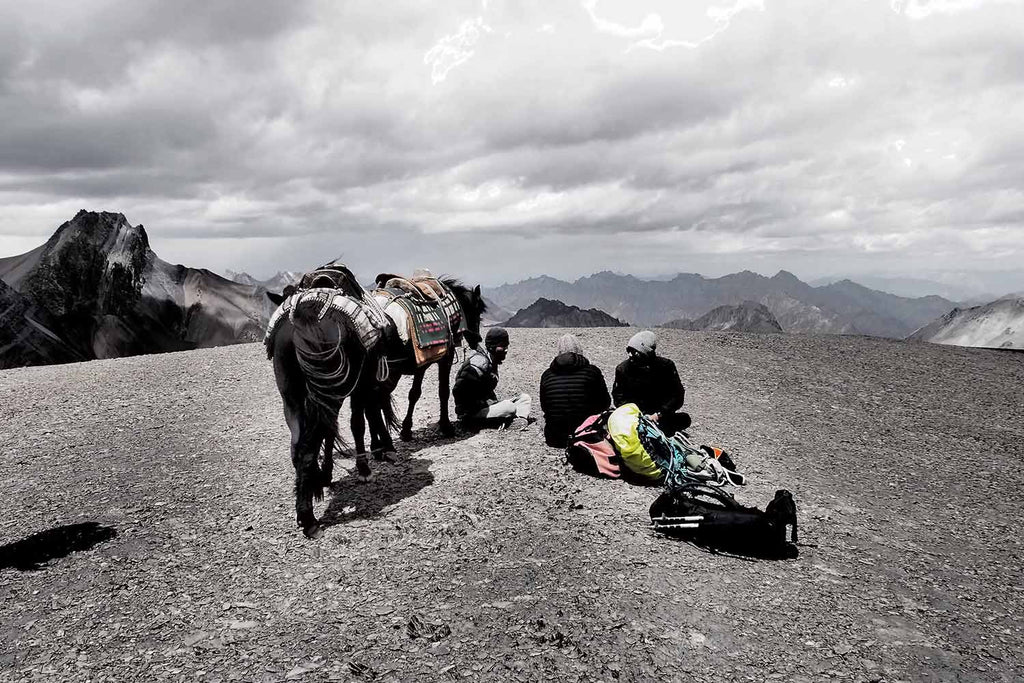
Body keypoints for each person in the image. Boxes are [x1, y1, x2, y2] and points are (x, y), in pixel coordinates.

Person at [612, 330, 691, 436]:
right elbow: (618, 397)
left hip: (658, 415)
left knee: (685, 419)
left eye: (634, 351)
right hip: (635, 416)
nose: (630, 355)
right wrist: (636, 414)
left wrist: (659, 414)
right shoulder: (623, 369)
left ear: (646, 353)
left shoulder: (666, 367)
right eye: (628, 350)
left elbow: (677, 396)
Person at [539, 334, 611, 448]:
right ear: (579, 349)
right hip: (588, 435)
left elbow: (545, 406)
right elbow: (605, 403)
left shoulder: (547, 375)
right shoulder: (592, 372)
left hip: (555, 438)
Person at [453, 327, 532, 428]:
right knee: (509, 406)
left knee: (525, 398)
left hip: (484, 407)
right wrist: (477, 406)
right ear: (492, 346)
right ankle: (473, 423)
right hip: (471, 412)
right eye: (502, 346)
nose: (506, 350)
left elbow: (484, 388)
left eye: (507, 346)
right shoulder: (479, 363)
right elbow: (459, 390)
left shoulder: (491, 362)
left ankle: (518, 420)